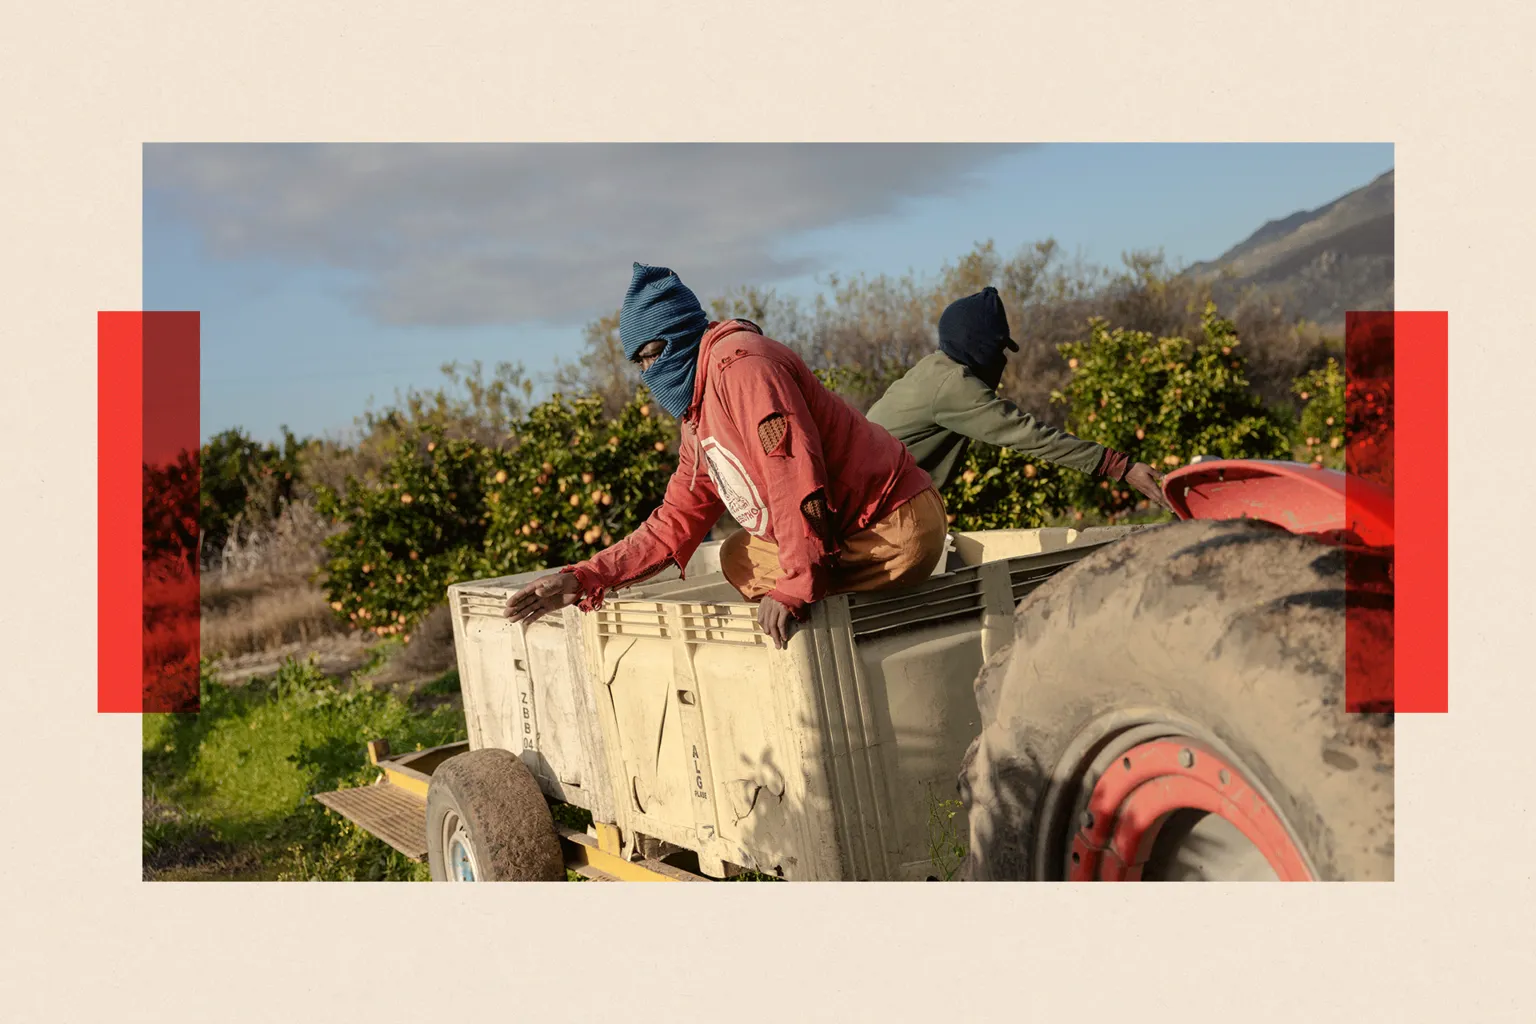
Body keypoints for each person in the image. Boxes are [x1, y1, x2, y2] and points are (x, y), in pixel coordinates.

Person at [504, 263, 948, 648]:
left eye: (652, 356)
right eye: (638, 364)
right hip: (844, 536)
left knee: (784, 583)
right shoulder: (698, 416)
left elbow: (793, 478)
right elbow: (674, 520)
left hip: (891, 528)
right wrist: (584, 577)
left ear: (680, 335)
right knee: (739, 556)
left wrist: (793, 586)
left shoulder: (744, 369)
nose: (648, 374)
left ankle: (833, 639)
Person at [865, 286, 1172, 509]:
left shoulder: (933, 369)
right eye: (998, 349)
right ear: (979, 345)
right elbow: (1030, 435)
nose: (1000, 360)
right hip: (869, 508)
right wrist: (1119, 466)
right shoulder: (953, 385)